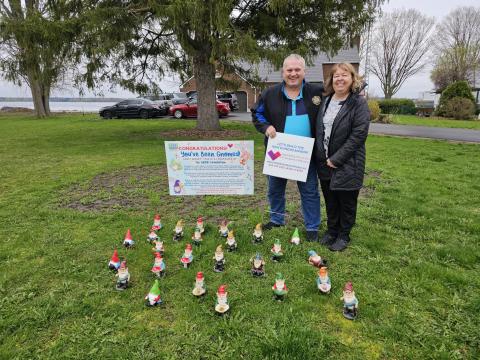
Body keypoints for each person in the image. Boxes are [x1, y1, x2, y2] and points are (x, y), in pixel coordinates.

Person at [252, 54, 323, 241]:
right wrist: (266, 127)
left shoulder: (317, 92)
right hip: (278, 153)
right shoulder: (269, 94)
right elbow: (257, 114)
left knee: (309, 191)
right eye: (289, 70)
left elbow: (340, 93)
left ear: (304, 72)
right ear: (283, 72)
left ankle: (312, 227)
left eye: (297, 70)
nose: (293, 73)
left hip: (305, 154)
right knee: (274, 190)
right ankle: (277, 219)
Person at [314, 62, 370, 251]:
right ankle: (332, 231)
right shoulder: (326, 100)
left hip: (348, 163)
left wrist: (336, 159)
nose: (340, 79)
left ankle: (344, 235)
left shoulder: (358, 103)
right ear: (331, 80)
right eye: (336, 75)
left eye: (344, 75)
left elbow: (359, 135)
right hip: (324, 162)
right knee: (330, 199)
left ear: (352, 79)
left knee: (346, 201)